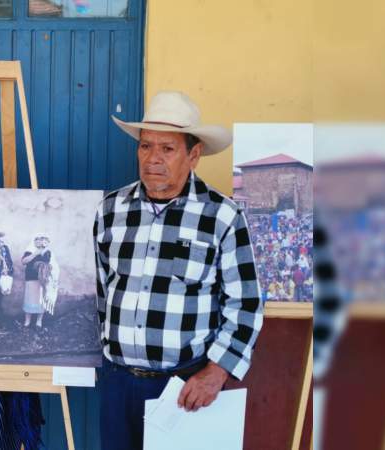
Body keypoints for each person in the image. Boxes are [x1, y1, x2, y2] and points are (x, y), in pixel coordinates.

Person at [96, 91, 264, 449]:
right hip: (118, 384)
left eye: (167, 149)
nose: (152, 159)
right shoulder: (111, 210)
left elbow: (246, 303)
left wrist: (217, 372)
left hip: (185, 388)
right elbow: (102, 290)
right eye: (145, 146)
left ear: (194, 154)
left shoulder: (222, 216)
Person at [21, 233, 51, 327]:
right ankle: (27, 320)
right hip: (31, 279)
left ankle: (39, 320)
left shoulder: (47, 252)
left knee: (40, 300)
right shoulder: (29, 251)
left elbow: (48, 263)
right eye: (36, 239)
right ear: (33, 241)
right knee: (30, 299)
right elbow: (23, 261)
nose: (39, 241)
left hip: (42, 280)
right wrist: (35, 254)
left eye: (40, 239)